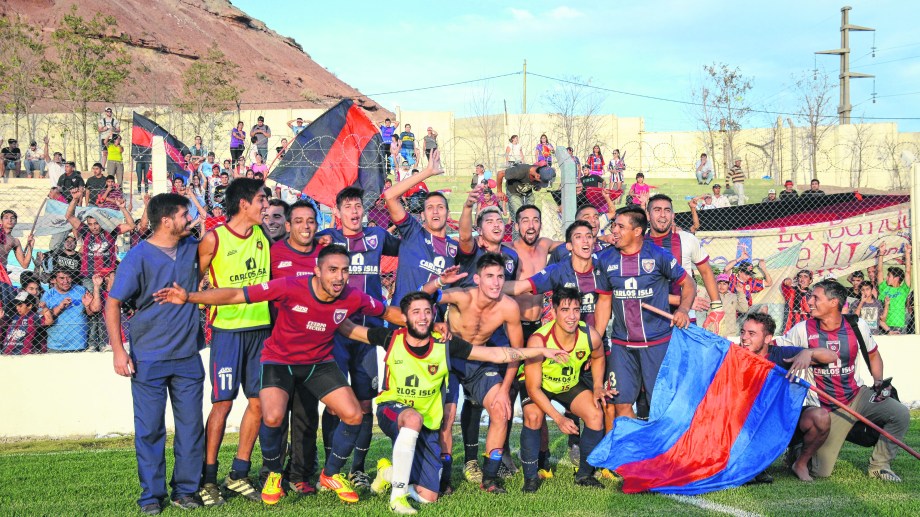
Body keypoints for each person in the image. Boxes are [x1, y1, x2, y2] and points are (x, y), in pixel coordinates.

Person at [155, 245, 406, 505]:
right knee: (273, 416)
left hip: (318, 363)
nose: (339, 277)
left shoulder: (352, 296)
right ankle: (274, 474)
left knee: (354, 415)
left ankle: (330, 474)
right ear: (317, 271)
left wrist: (421, 323)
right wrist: (189, 297)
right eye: (332, 270)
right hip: (279, 361)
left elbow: (388, 313)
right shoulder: (290, 286)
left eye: (344, 270)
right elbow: (236, 294)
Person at [338, 291, 568, 513]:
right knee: (412, 418)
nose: (423, 317)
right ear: (404, 317)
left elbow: (496, 354)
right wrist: (331, 306)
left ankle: (387, 473)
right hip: (393, 411)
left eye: (427, 311)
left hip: (426, 423)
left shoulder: (446, 344)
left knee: (429, 496)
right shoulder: (391, 337)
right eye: (416, 312)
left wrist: (540, 350)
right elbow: (349, 329)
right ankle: (397, 498)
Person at [104, 193, 205, 513]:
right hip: (148, 358)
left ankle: (185, 491)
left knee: (191, 429)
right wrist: (118, 351)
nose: (190, 220)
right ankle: (151, 496)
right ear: (166, 221)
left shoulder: (192, 247)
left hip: (188, 356)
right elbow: (112, 304)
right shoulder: (138, 257)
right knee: (150, 430)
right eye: (184, 215)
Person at [781, 279, 910, 482]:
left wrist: (878, 382)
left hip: (857, 395)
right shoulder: (802, 329)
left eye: (816, 298)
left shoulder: (856, 325)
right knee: (820, 471)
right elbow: (779, 350)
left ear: (834, 302)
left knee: (900, 413)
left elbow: (873, 355)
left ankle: (879, 466)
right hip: (826, 407)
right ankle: (798, 449)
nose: (810, 301)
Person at [315, 187, 401, 491]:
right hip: (336, 334)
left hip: (368, 334)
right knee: (335, 404)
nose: (353, 211)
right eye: (347, 206)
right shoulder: (326, 238)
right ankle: (330, 469)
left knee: (365, 403)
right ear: (337, 212)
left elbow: (409, 246)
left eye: (357, 205)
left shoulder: (377, 236)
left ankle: (358, 469)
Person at [417, 254, 525, 494]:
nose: (496, 282)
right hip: (449, 359)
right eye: (489, 276)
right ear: (477, 279)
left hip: (479, 360)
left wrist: (504, 390)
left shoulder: (509, 307)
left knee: (500, 410)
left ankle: (490, 479)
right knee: (447, 415)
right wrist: (439, 282)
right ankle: (444, 480)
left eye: (500, 277)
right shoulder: (462, 296)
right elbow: (419, 296)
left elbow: (516, 352)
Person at [195, 178, 271, 504]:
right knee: (223, 403)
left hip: (261, 330)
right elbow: (193, 279)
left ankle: (239, 474)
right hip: (227, 332)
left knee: (258, 403)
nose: (265, 205)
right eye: (261, 200)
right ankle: (208, 478)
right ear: (243, 204)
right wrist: (204, 299)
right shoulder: (214, 239)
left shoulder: (263, 235)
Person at [597, 206, 695, 419]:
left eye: (621, 226)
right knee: (621, 405)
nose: (614, 231)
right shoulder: (606, 259)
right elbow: (604, 302)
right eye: (614, 225)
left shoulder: (659, 256)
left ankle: (663, 442)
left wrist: (683, 309)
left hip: (657, 344)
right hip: (622, 346)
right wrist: (595, 339)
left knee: (660, 407)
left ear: (637, 231)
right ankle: (635, 442)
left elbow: (689, 284)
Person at [453, 195, 521, 483]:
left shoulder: (511, 257)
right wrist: (468, 206)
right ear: (480, 229)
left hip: (495, 338)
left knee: (501, 399)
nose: (496, 224)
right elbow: (464, 236)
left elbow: (511, 290)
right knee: (465, 403)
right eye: (489, 221)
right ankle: (468, 460)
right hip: (459, 342)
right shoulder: (471, 251)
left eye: (499, 220)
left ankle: (497, 461)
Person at [519, 287, 613, 492]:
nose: (571, 316)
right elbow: (533, 389)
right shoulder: (538, 340)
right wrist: (559, 418)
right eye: (565, 310)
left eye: (576, 310)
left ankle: (584, 475)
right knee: (533, 416)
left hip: (567, 384)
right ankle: (530, 478)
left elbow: (598, 356)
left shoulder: (589, 335)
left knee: (596, 414)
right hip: (540, 386)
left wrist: (598, 386)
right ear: (553, 312)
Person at [738, 313, 836, 482]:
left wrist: (808, 353)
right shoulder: (734, 355)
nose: (744, 338)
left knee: (820, 417)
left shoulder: (782, 354)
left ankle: (800, 463)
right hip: (746, 424)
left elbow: (832, 356)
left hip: (782, 422)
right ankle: (751, 464)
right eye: (742, 332)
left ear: (768, 338)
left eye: (751, 333)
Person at [644, 194, 721, 327]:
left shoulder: (687, 239)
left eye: (667, 210)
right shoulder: (637, 243)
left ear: (673, 215)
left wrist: (717, 307)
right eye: (657, 210)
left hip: (685, 315)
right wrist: (681, 301)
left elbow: (706, 271)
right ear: (648, 215)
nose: (663, 215)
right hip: (649, 315)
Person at [65, 191, 134, 289]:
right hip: (89, 275)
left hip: (107, 274)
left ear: (101, 222)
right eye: (90, 224)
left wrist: (123, 208)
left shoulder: (110, 231)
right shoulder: (85, 231)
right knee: (91, 296)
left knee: (110, 294)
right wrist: (75, 199)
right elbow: (69, 216)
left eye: (96, 223)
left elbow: (131, 225)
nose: (93, 227)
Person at [494, 162, 556, 238]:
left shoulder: (539, 171)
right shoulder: (521, 171)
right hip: (514, 191)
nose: (540, 183)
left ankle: (528, 236)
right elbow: (500, 174)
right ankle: (517, 240)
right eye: (541, 181)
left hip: (527, 192)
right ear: (537, 176)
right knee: (519, 216)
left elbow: (539, 183)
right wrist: (499, 191)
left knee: (530, 214)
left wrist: (537, 186)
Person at [41, 269, 93, 352]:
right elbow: (44, 319)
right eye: (62, 278)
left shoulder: (81, 290)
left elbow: (91, 314)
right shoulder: (48, 294)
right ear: (54, 280)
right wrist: (60, 307)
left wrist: (87, 306)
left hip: (79, 344)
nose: (66, 281)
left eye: (69, 277)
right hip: (56, 346)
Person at [874, 245, 912, 334]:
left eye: (889, 276)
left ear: (896, 278)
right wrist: (881, 253)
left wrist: (907, 253)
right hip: (883, 325)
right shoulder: (884, 288)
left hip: (898, 326)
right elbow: (879, 271)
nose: (886, 278)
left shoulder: (903, 289)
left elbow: (908, 272)